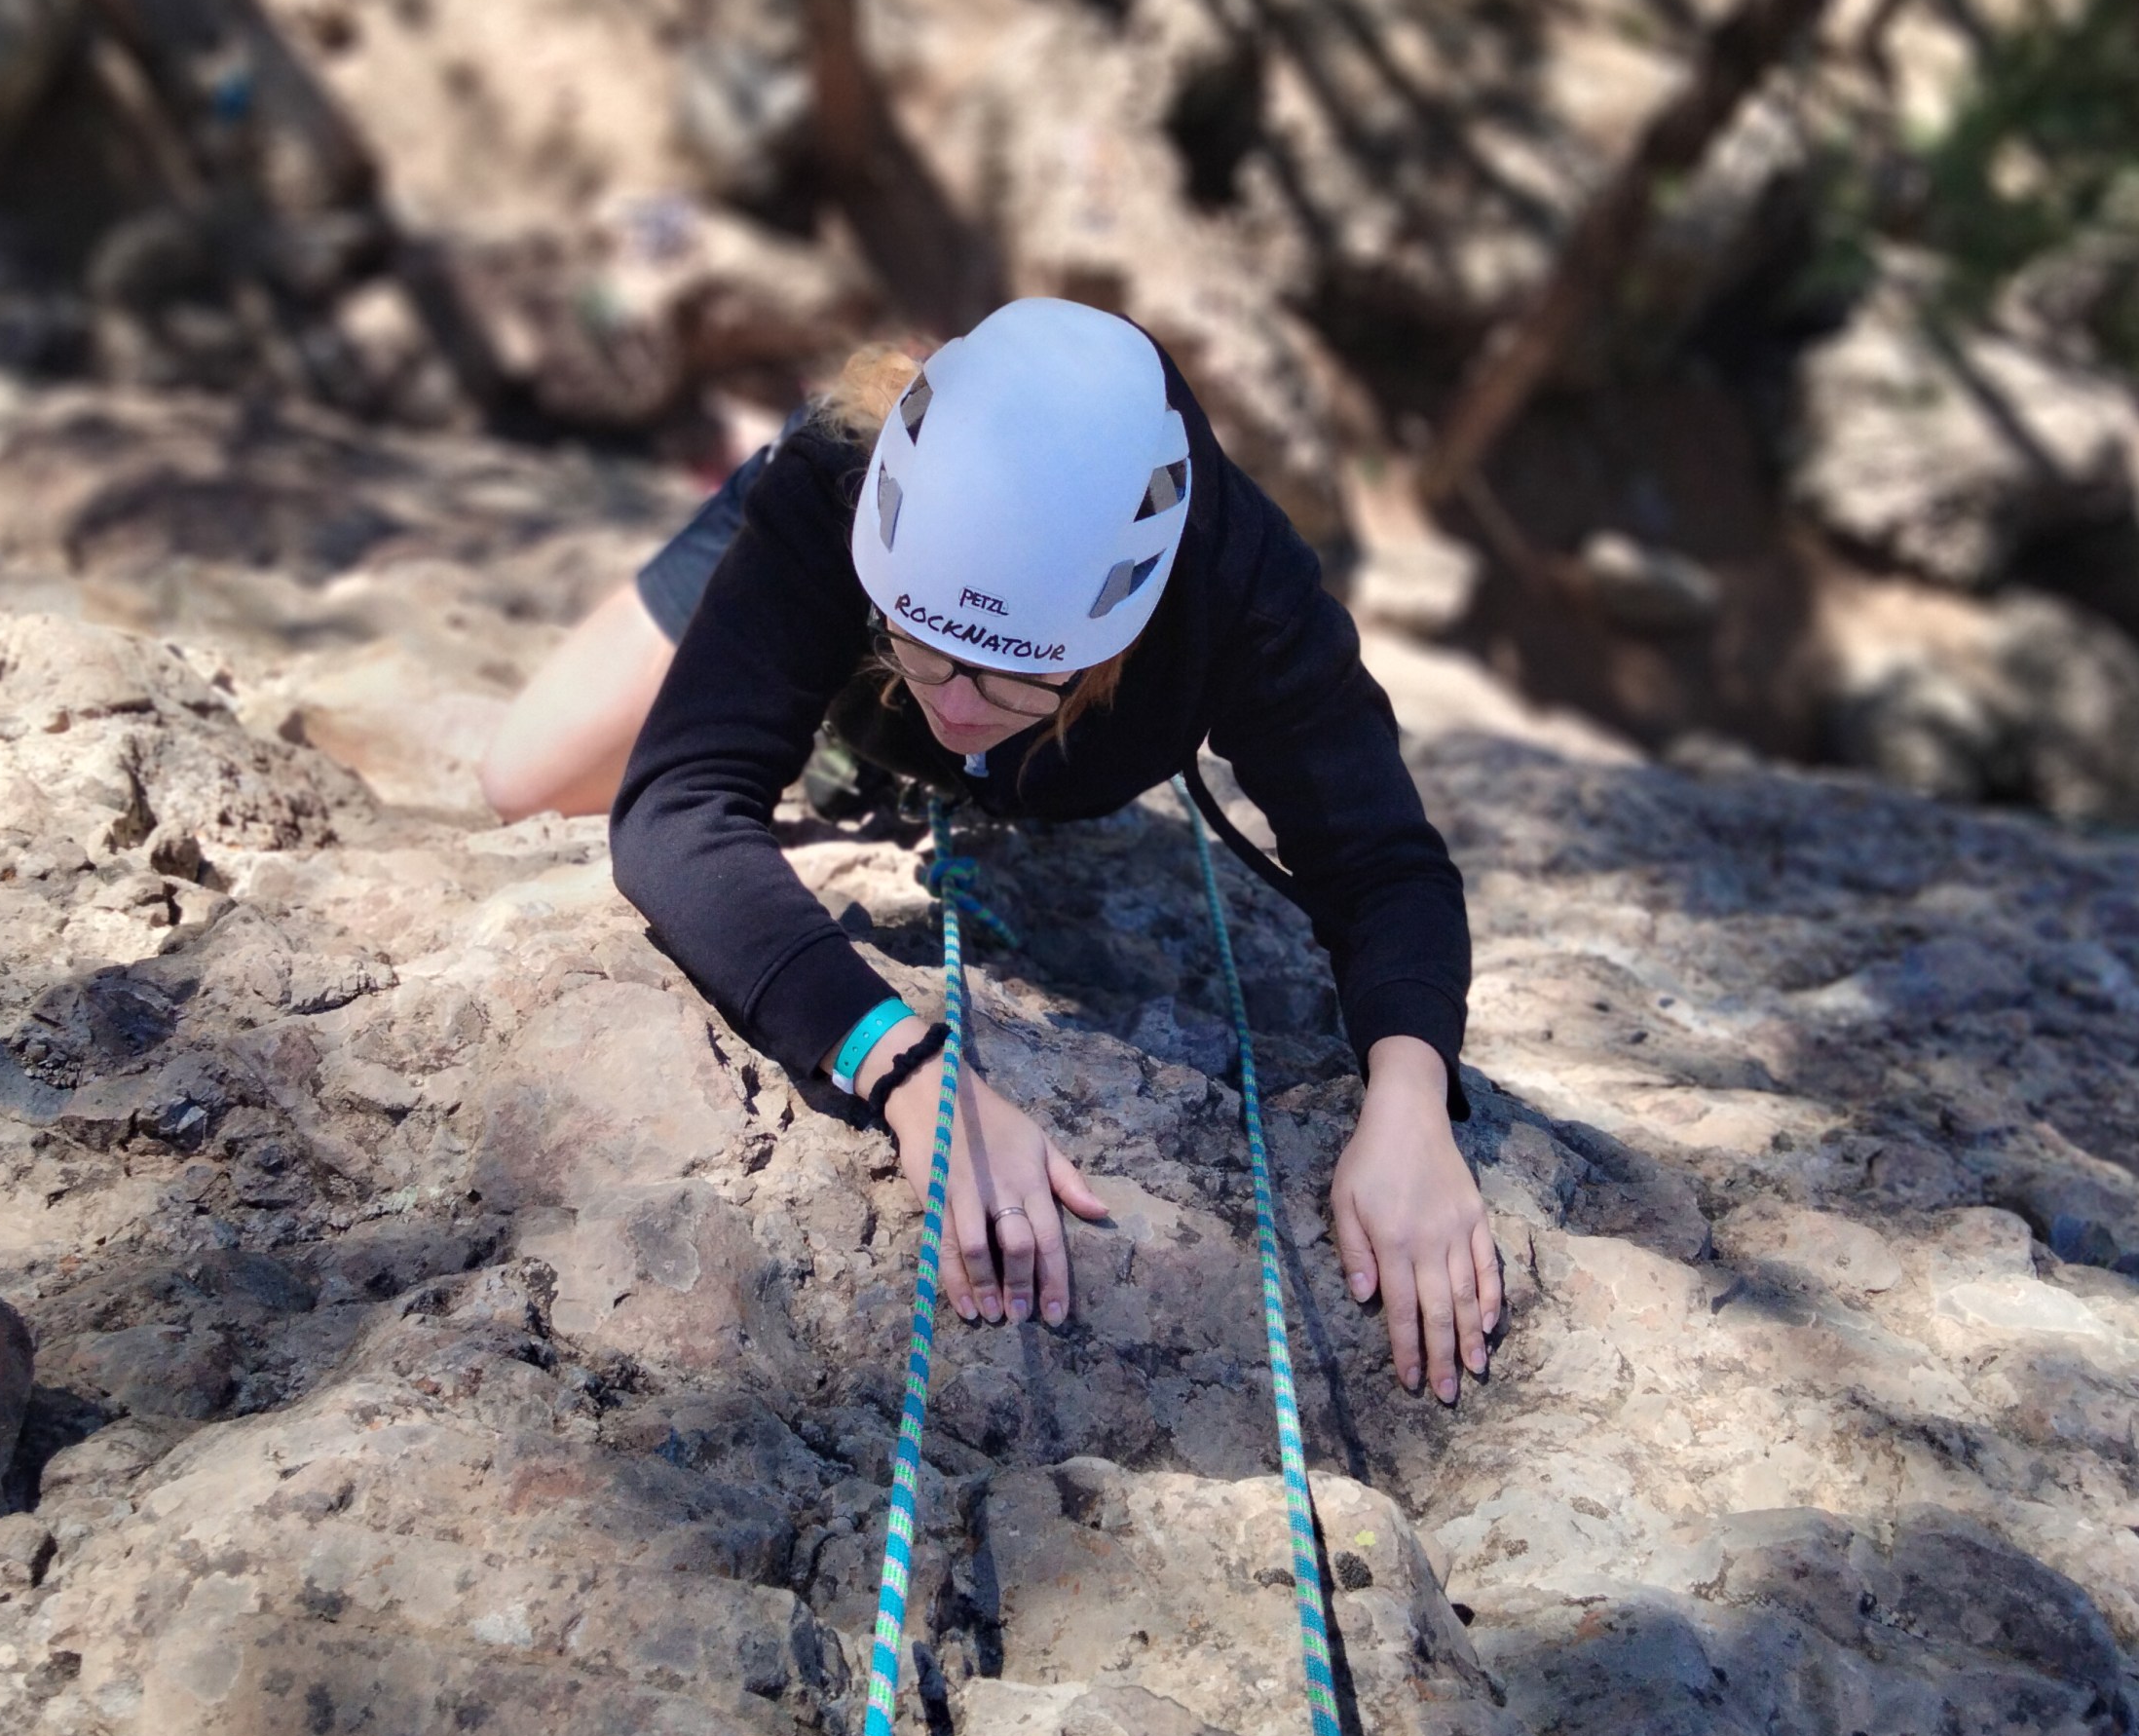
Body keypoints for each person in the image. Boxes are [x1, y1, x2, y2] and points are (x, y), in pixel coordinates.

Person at [492, 298, 1502, 1403]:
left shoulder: (1240, 585)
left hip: (1046, 719)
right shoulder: (843, 485)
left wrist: (1409, 1102)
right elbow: (677, 804)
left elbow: (1384, 862)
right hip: (800, 531)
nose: (960, 709)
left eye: (1015, 676)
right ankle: (820, 650)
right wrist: (906, 1065)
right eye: (920, 650)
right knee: (526, 783)